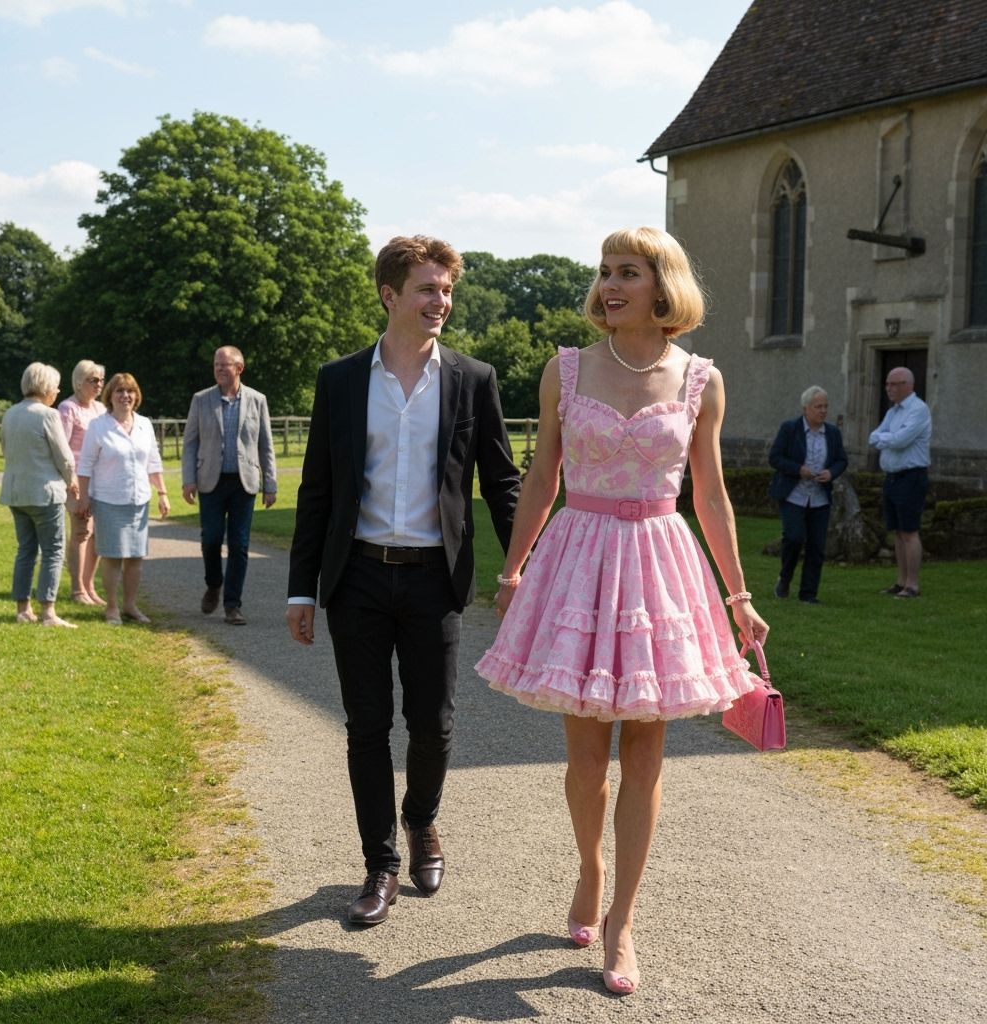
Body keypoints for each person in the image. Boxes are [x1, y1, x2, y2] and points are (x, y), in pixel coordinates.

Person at [475, 227, 769, 996]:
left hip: (661, 570)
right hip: (578, 559)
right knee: (583, 760)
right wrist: (513, 565)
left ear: (662, 285)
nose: (610, 285)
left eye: (627, 272)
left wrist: (738, 598)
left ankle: (624, 922)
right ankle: (589, 867)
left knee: (645, 756)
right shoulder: (565, 370)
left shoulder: (701, 377)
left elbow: (710, 495)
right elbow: (542, 475)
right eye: (605, 272)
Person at [286, 235, 522, 927]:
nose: (440, 301)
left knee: (434, 724)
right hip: (356, 576)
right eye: (427, 289)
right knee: (365, 726)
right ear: (390, 295)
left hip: (433, 580)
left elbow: (503, 482)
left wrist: (523, 566)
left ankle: (422, 820)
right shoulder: (340, 380)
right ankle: (380, 865)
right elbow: (317, 490)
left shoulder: (472, 380)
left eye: (446, 290)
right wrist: (303, 589)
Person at [181, 346, 277, 626]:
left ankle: (232, 605)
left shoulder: (257, 400)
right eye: (216, 365)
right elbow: (190, 444)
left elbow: (265, 445)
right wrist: (189, 479)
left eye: (225, 365)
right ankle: (214, 583)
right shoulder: (201, 400)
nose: (220, 369)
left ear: (239, 368)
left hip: (244, 484)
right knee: (210, 540)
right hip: (210, 481)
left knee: (239, 545)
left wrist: (269, 484)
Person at [77, 373, 170, 624]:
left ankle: (130, 605)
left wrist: (162, 493)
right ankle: (111, 607)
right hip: (108, 501)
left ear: (136, 396)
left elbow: (153, 461)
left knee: (136, 557)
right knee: (113, 557)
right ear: (110, 396)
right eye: (119, 391)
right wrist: (84, 497)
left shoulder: (144, 424)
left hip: (139, 501)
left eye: (130, 391)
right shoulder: (98, 426)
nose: (125, 396)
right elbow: (85, 464)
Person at [0, 362, 79, 628]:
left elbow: (5, 449)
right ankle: (48, 612)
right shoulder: (48, 415)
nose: (57, 391)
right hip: (45, 493)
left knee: (26, 550)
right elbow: (64, 456)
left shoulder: (10, 413)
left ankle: (23, 609)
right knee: (54, 550)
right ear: (46, 387)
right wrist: (72, 480)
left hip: (16, 492)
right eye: (56, 386)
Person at [768, 386, 848, 604]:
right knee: (793, 538)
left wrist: (831, 472)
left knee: (816, 545)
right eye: (818, 406)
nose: (823, 411)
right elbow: (775, 457)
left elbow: (842, 460)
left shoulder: (832, 433)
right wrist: (798, 469)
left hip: (820, 497)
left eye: (825, 406)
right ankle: (784, 578)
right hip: (794, 494)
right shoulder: (790, 429)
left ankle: (808, 593)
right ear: (806, 409)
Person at [868, 367, 932, 598]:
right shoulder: (893, 412)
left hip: (911, 477)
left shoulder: (918, 410)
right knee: (897, 531)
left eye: (894, 384)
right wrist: (888, 439)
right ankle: (901, 581)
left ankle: (912, 584)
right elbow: (873, 437)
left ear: (908, 385)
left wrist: (887, 438)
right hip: (892, 478)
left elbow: (901, 440)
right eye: (887, 384)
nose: (889, 388)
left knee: (909, 531)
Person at [58, 360, 107, 605]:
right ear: (79, 382)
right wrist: (71, 481)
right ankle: (77, 589)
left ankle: (89, 586)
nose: (99, 384)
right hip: (77, 481)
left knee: (97, 534)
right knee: (81, 531)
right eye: (93, 380)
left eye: (100, 379)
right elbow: (61, 449)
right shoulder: (68, 409)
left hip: (101, 481)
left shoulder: (100, 409)